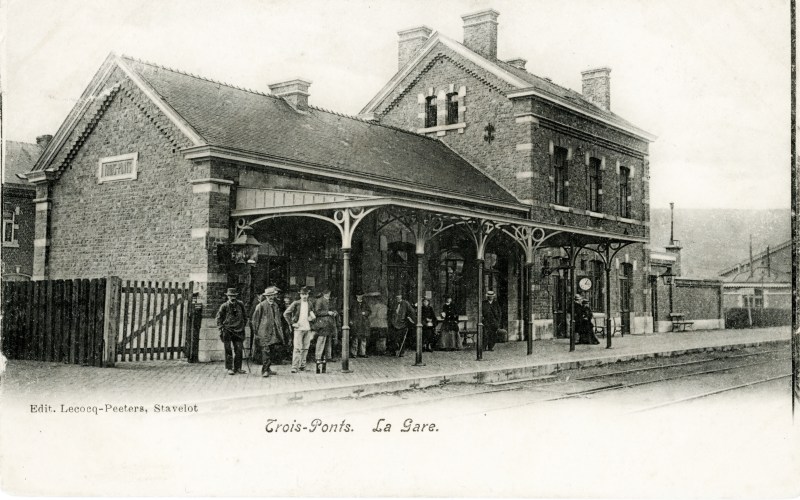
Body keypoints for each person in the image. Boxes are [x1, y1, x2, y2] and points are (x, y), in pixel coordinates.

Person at [251, 286, 285, 377]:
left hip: (274, 333)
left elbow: (277, 319)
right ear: (266, 296)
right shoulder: (260, 306)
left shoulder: (275, 305)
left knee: (272, 351)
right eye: (269, 296)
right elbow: (255, 320)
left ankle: (268, 368)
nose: (271, 297)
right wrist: (256, 333)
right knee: (265, 351)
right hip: (264, 333)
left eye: (272, 295)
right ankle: (264, 370)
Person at [283, 286, 316, 373]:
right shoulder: (296, 303)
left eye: (306, 294)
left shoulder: (310, 303)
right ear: (300, 295)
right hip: (298, 329)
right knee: (297, 348)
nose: (304, 296)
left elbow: (312, 314)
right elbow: (286, 314)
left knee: (305, 348)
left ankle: (303, 366)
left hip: (307, 328)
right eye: (303, 294)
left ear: (308, 295)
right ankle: (294, 367)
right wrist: (292, 323)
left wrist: (312, 318)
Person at [216, 288, 248, 375]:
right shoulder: (224, 306)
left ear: (236, 296)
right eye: (230, 296)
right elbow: (219, 318)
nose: (232, 297)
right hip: (227, 331)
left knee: (239, 349)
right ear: (228, 296)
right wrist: (221, 328)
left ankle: (238, 368)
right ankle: (229, 368)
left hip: (239, 331)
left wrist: (241, 326)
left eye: (233, 296)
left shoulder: (240, 304)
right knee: (228, 349)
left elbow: (245, 317)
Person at [312, 289, 338, 373]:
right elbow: (317, 312)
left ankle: (327, 356)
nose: (328, 295)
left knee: (328, 341)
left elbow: (334, 309)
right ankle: (318, 357)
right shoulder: (320, 301)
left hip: (329, 324)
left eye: (329, 293)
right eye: (327, 293)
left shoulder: (330, 301)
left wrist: (334, 312)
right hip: (322, 324)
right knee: (321, 340)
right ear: (324, 294)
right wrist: (328, 312)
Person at [389, 292, 415, 357]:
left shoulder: (406, 303)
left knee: (402, 339)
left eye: (399, 296)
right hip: (394, 323)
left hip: (402, 324)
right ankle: (393, 351)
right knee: (393, 339)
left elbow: (412, 312)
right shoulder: (393, 303)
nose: (398, 297)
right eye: (397, 296)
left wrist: (408, 318)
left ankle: (401, 352)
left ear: (401, 296)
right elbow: (390, 312)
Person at [349, 291, 372, 358]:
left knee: (363, 338)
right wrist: (350, 321)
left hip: (363, 323)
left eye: (361, 295)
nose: (360, 296)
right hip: (356, 323)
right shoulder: (353, 303)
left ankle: (362, 353)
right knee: (355, 338)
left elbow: (369, 311)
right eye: (359, 295)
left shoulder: (365, 303)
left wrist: (365, 313)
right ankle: (354, 353)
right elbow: (350, 313)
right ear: (356, 296)